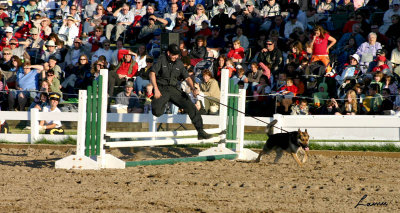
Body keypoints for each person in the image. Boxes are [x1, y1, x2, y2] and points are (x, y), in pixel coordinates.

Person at [150, 44, 212, 139]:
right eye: (173, 54)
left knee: (190, 106)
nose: (175, 57)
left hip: (174, 89)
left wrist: (193, 88)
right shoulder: (161, 59)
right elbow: (152, 73)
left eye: (177, 55)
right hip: (162, 88)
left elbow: (187, 77)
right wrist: (156, 89)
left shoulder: (179, 63)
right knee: (157, 112)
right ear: (168, 53)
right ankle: (156, 102)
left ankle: (200, 131)